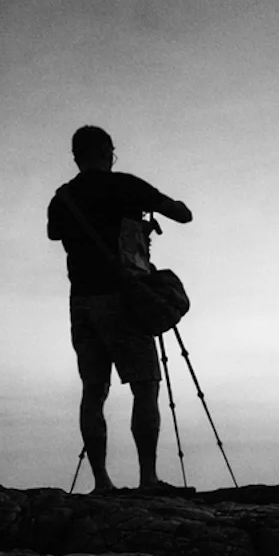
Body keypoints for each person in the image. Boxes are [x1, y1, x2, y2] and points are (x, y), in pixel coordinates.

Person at [46, 125, 194, 493]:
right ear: (109, 152)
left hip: (81, 301)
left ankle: (102, 483)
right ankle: (148, 479)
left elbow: (53, 234)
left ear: (76, 156)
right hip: (124, 297)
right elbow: (183, 214)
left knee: (93, 391)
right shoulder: (126, 186)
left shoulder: (62, 198)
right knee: (145, 385)